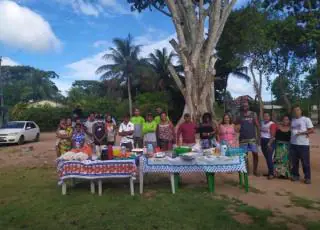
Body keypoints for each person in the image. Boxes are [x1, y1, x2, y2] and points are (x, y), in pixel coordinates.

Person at [290, 105, 314, 184]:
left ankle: (307, 177)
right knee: (294, 162)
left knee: (305, 162)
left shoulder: (306, 119)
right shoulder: (292, 120)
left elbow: (311, 130)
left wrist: (301, 133)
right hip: (293, 144)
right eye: (294, 111)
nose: (296, 112)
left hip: (303, 144)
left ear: (301, 111)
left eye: (298, 110)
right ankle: (296, 175)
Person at [235, 102, 260, 176]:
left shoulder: (253, 114)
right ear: (242, 107)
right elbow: (235, 124)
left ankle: (255, 171)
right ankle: (247, 171)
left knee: (255, 154)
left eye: (246, 105)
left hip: (252, 138)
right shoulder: (239, 115)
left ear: (249, 106)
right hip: (243, 139)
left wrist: (258, 136)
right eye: (243, 105)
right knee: (244, 155)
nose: (245, 107)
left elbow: (257, 125)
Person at [260, 112, 277, 179]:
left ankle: (272, 174)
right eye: (264, 116)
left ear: (270, 117)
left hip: (269, 142)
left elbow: (272, 135)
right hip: (263, 141)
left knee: (269, 157)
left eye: (267, 116)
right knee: (267, 158)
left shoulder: (272, 124)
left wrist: (269, 143)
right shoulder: (263, 123)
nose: (266, 117)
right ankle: (270, 171)